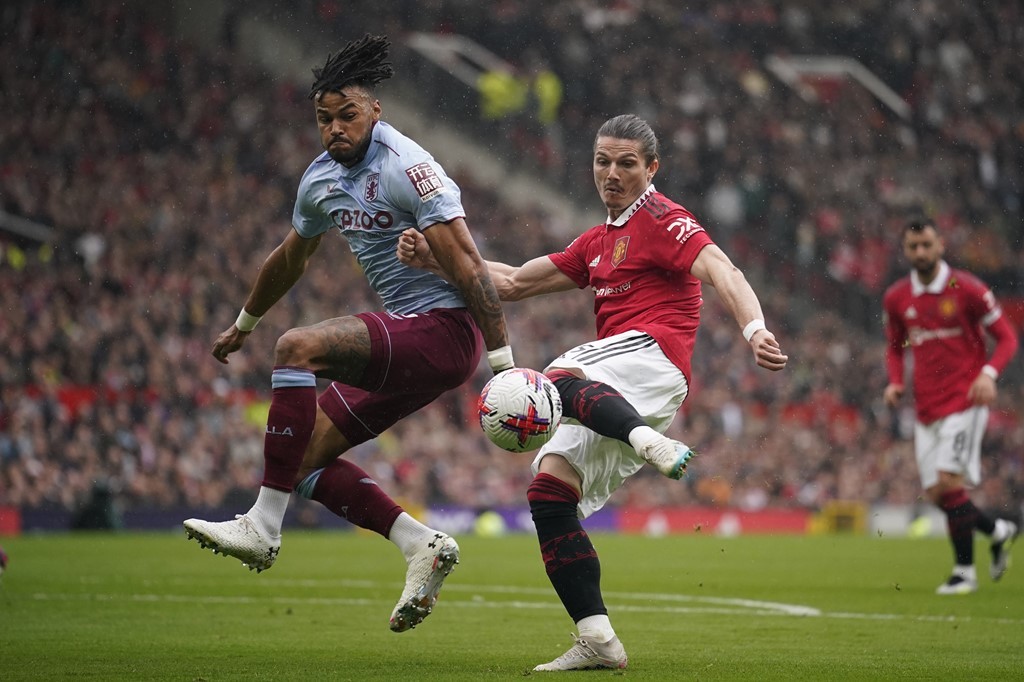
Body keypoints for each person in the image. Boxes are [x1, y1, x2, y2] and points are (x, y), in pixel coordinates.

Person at [399, 114, 787, 670]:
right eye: (603, 161)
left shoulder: (663, 218)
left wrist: (755, 329)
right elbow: (510, 282)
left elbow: (723, 269)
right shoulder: (596, 243)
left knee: (556, 379)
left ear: (651, 168)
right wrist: (436, 259)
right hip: (618, 384)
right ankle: (599, 639)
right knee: (549, 493)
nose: (612, 173)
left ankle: (647, 442)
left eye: (626, 163)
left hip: (652, 358)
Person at [183, 34, 514, 633]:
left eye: (347, 116)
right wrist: (241, 325)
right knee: (300, 460)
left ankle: (262, 526)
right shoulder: (320, 179)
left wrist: (504, 364)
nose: (334, 128)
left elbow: (467, 265)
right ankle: (421, 545)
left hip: (445, 331)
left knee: (297, 348)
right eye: (323, 119)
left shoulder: (410, 169)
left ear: (375, 111)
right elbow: (290, 258)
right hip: (413, 342)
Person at [882, 217, 1019, 595]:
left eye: (927, 244)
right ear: (905, 250)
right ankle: (999, 531)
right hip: (925, 409)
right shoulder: (897, 297)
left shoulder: (967, 288)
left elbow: (1007, 338)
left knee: (947, 483)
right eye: (914, 247)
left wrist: (988, 374)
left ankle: (964, 573)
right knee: (942, 496)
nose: (921, 252)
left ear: (941, 245)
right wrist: (896, 382)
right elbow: (895, 347)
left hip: (964, 401)